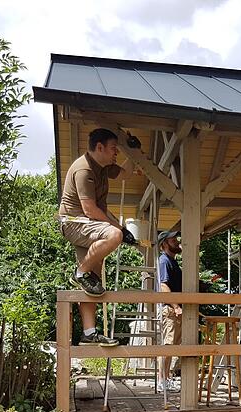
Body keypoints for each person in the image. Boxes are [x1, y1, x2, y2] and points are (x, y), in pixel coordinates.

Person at [59, 128, 137, 347]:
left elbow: (126, 174)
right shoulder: (84, 170)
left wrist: (134, 152)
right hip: (74, 223)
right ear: (99, 147)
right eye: (114, 148)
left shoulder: (103, 167)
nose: (116, 154)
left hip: (89, 224)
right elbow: (90, 209)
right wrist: (120, 229)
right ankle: (80, 272)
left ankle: (89, 331)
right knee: (113, 235)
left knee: (93, 282)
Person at [156, 230, 183, 392]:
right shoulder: (164, 261)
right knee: (167, 346)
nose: (176, 241)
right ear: (164, 244)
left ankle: (167, 379)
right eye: (172, 239)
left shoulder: (173, 261)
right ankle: (161, 381)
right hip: (170, 310)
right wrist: (176, 306)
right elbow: (164, 287)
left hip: (175, 309)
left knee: (173, 347)